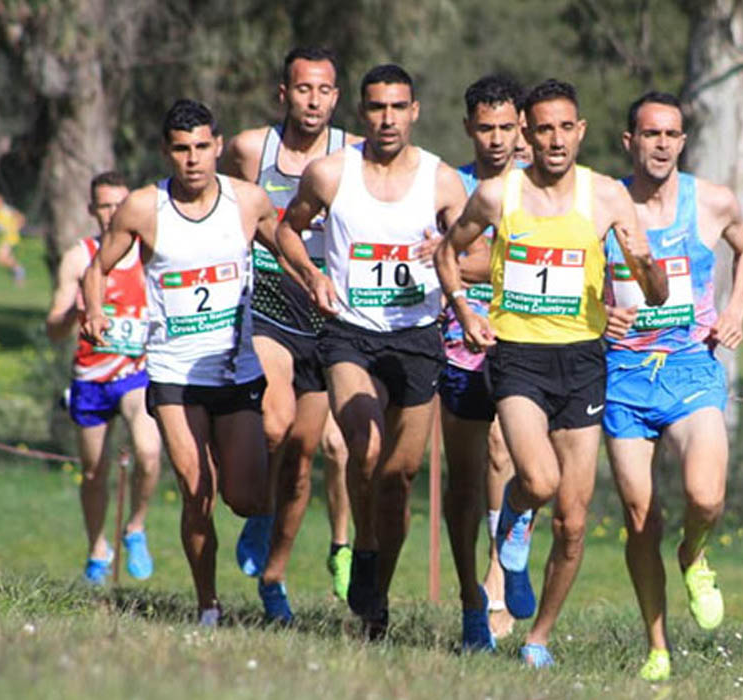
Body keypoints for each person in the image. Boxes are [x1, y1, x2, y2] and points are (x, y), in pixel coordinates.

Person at [436, 78, 667, 668]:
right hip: (517, 355)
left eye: (566, 127)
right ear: (526, 135)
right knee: (537, 481)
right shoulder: (497, 195)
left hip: (583, 361)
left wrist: (645, 269)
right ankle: (513, 518)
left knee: (572, 520)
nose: (555, 139)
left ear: (581, 131)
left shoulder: (608, 196)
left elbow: (656, 290)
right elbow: (447, 252)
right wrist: (464, 309)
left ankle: (538, 637)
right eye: (543, 129)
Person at [82, 99, 307, 625]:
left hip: (235, 371)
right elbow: (98, 268)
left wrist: (314, 278)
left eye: (202, 147)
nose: (192, 160)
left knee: (246, 498)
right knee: (196, 488)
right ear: (166, 152)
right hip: (173, 375)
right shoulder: (142, 207)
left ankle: (259, 514)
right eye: (181, 149)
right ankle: (208, 605)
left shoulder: (247, 201)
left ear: (218, 147)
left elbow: (285, 243)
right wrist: (94, 308)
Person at [276, 64, 468, 638]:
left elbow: (478, 251)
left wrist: (449, 249)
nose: (387, 119)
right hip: (349, 332)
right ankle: (363, 547)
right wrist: (313, 275)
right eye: (377, 108)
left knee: (401, 475)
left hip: (416, 337)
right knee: (364, 446)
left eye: (398, 107)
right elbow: (288, 229)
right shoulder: (331, 173)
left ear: (414, 112)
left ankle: (378, 594)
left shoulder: (441, 181)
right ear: (362, 113)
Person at [602, 91, 743, 681]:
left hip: (692, 366)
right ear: (630, 142)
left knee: (706, 497)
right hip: (624, 374)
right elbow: (582, 282)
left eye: (671, 134)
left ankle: (694, 554)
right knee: (642, 515)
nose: (661, 144)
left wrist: (736, 307)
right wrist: (601, 315)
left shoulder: (712, 202)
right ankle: (658, 649)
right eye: (649, 134)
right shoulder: (606, 207)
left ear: (683, 142)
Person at [221, 45, 361, 622]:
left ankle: (275, 577)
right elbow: (223, 209)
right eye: (303, 89)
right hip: (271, 307)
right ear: (284, 93)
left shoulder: (351, 154)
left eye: (325, 91)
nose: (314, 101)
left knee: (305, 455)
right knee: (276, 424)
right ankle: (258, 512)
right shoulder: (253, 149)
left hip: (327, 319)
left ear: (336, 95)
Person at [45, 171, 163, 585]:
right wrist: (72, 313)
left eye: (119, 204)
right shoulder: (80, 258)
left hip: (135, 374)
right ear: (91, 210)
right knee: (94, 471)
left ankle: (135, 527)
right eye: (104, 206)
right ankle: (97, 549)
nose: (112, 213)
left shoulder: (148, 254)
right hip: (90, 377)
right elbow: (54, 328)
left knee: (149, 451)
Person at [439, 74, 523, 650]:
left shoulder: (540, 189)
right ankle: (472, 595)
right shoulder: (450, 185)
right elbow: (440, 255)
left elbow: (466, 255)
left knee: (508, 451)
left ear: (522, 130)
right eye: (485, 128)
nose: (495, 139)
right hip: (457, 338)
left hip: (527, 338)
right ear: (469, 128)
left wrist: (472, 257)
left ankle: (502, 569)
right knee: (464, 475)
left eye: (506, 128)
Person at [0, 191, 27, 285]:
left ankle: (19, 270)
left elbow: (21, 217)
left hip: (10, 237)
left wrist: (18, 225)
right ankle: (18, 275)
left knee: (0, 257)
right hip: (3, 238)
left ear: (0, 200)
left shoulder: (6, 209)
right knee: (4, 258)